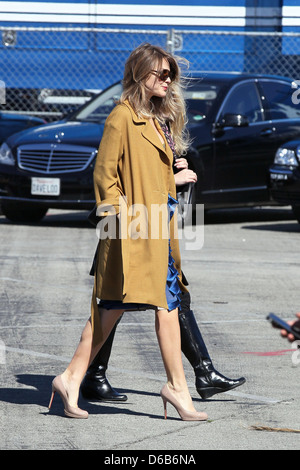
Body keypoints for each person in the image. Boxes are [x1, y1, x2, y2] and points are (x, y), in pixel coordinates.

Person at [48, 43, 208, 421]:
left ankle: (177, 388)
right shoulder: (122, 116)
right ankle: (72, 377)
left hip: (160, 230)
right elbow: (105, 176)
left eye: (171, 74)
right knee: (111, 310)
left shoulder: (158, 119)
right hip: (133, 231)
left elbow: (148, 177)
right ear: (140, 75)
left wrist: (174, 176)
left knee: (166, 304)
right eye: (160, 73)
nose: (168, 80)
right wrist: (125, 224)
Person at [81, 160, 246, 402]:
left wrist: (172, 168)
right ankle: (88, 376)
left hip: (151, 227)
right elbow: (124, 176)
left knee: (165, 298)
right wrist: (171, 180)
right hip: (130, 230)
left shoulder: (159, 130)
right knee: (113, 304)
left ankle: (204, 372)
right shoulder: (132, 123)